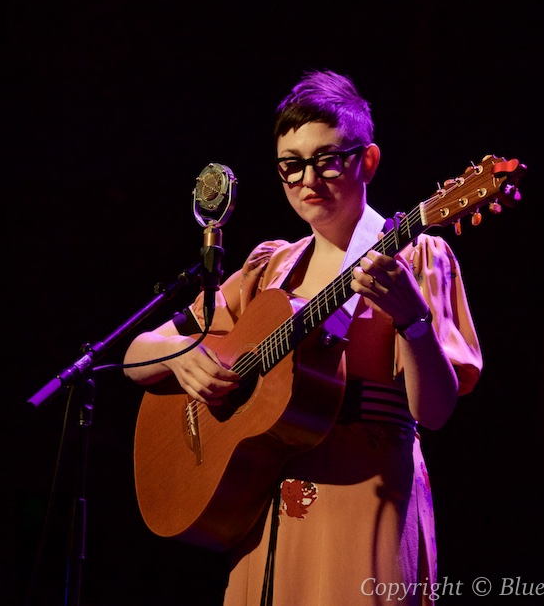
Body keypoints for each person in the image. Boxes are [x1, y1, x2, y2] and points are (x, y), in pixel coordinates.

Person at [123, 70, 482, 605]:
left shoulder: (415, 259)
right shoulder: (269, 269)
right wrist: (185, 357)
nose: (308, 178)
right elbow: (134, 357)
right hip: (264, 504)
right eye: (292, 165)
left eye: (329, 158)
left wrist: (412, 321)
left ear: (369, 160)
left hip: (366, 505)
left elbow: (434, 411)